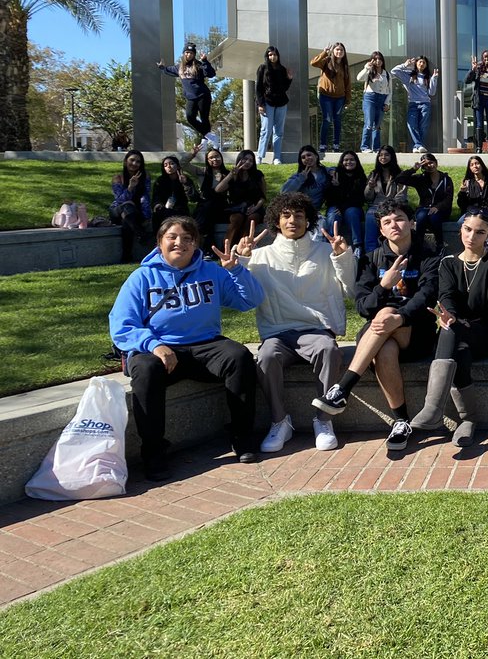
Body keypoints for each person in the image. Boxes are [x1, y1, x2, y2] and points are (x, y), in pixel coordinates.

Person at [109, 215, 264, 480]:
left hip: (205, 345)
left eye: (187, 238)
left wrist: (236, 270)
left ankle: (242, 437)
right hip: (159, 350)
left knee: (238, 356)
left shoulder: (212, 272)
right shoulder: (141, 278)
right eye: (172, 237)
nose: (179, 243)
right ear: (160, 242)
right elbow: (122, 325)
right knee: (145, 370)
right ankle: (153, 451)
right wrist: (154, 345)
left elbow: (250, 301)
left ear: (195, 244)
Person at [314, 200, 442, 451]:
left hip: (416, 332)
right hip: (378, 336)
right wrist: (384, 286)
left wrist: (400, 317)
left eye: (400, 219)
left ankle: (343, 388)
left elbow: (427, 297)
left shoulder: (429, 256)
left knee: (387, 314)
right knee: (385, 347)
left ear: (411, 223)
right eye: (387, 222)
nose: (394, 225)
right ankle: (401, 421)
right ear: (381, 230)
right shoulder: (371, 259)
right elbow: (363, 307)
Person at [238, 193, 355, 454]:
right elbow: (241, 297)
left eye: (299, 215)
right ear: (276, 221)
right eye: (286, 215)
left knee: (328, 349)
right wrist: (242, 260)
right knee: (266, 356)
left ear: (308, 220)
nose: (293, 220)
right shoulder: (260, 256)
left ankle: (323, 420)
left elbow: (351, 289)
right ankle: (280, 421)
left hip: (316, 331)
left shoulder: (327, 251)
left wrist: (343, 257)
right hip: (277, 332)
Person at [424, 208, 488, 447]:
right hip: (456, 333)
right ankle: (468, 419)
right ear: (461, 229)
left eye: (480, 232)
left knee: (451, 331)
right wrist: (449, 315)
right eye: (467, 229)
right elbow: (446, 296)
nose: (472, 236)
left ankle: (433, 408)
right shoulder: (448, 263)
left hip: (484, 335)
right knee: (457, 348)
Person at [158, 42, 217, 152]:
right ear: (183, 53)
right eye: (187, 52)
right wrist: (162, 67)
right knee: (190, 117)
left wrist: (205, 61)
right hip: (190, 97)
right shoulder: (179, 67)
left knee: (204, 119)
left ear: (194, 55)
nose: (189, 55)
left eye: (191, 53)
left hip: (203, 96)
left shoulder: (198, 65)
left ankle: (205, 141)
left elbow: (211, 74)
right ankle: (209, 136)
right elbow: (168, 70)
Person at [398, 151, 454, 250]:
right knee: (422, 216)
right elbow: (399, 179)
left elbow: (449, 198)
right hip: (424, 209)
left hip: (441, 210)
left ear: (436, 163)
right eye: (426, 165)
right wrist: (413, 169)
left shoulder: (446, 179)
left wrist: (438, 207)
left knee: (434, 217)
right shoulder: (420, 179)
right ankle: (418, 245)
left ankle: (439, 244)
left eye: (431, 162)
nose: (429, 166)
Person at [214, 149, 267, 249]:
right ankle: (226, 249)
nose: (247, 162)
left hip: (254, 207)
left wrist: (255, 208)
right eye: (245, 159)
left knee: (251, 219)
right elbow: (218, 189)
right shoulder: (233, 175)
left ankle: (242, 248)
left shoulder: (258, 175)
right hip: (237, 208)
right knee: (236, 219)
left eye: (251, 160)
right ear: (239, 159)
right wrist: (231, 174)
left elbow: (263, 197)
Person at [363, 146, 408, 253]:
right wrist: (370, 187)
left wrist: (390, 206)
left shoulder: (399, 174)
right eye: (380, 155)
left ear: (392, 157)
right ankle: (370, 253)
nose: (383, 157)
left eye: (386, 155)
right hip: (375, 206)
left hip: (394, 206)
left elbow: (401, 195)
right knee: (370, 215)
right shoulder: (374, 174)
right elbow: (368, 198)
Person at [323, 151, 368, 257]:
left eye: (352, 160)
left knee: (351, 212)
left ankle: (357, 246)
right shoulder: (335, 175)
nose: (349, 162)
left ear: (356, 161)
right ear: (341, 162)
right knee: (333, 215)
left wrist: (342, 207)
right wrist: (335, 186)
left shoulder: (360, 177)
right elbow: (329, 198)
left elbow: (359, 199)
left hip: (353, 208)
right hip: (336, 206)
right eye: (346, 160)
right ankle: (329, 245)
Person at [110, 150, 152, 262]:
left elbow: (145, 197)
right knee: (127, 207)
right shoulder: (118, 178)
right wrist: (130, 187)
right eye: (132, 160)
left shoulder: (145, 176)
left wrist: (146, 217)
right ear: (125, 161)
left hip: (134, 213)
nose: (134, 163)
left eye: (138, 161)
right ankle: (141, 234)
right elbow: (119, 200)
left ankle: (126, 256)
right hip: (117, 211)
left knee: (127, 220)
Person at [310, 42, 352, 153]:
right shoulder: (326, 61)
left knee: (337, 120)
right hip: (326, 96)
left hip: (340, 97)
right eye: (337, 49)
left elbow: (348, 83)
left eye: (341, 50)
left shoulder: (345, 66)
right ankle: (323, 144)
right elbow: (313, 63)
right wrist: (324, 52)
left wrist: (348, 99)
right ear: (333, 51)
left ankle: (336, 145)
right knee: (327, 119)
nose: (339, 52)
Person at [255, 45, 293, 165]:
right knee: (266, 130)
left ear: (278, 56)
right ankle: (259, 156)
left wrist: (289, 79)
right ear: (267, 56)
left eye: (275, 54)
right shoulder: (262, 68)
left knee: (279, 132)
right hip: (267, 103)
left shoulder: (282, 69)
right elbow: (258, 87)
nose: (272, 57)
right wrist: (260, 104)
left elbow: (284, 88)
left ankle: (276, 157)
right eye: (270, 54)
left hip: (281, 103)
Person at [394, 56, 440, 153]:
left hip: (425, 104)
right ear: (416, 63)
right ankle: (419, 145)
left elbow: (432, 93)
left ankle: (417, 146)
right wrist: (405, 65)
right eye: (420, 62)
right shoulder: (409, 75)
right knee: (411, 125)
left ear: (426, 65)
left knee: (423, 126)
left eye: (424, 62)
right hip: (413, 103)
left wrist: (434, 79)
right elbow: (394, 71)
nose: (422, 64)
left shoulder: (427, 77)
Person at [456, 155, 488, 247]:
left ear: (482, 165)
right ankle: (469, 242)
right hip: (472, 211)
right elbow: (461, 204)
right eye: (472, 165)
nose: (475, 166)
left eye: (477, 163)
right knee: (460, 222)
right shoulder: (468, 182)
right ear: (469, 168)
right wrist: (462, 192)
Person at [194, 149, 229, 254]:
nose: (215, 159)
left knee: (204, 214)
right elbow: (183, 164)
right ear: (207, 160)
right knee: (205, 212)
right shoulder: (202, 172)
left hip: (220, 204)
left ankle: (206, 250)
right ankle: (207, 250)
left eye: (217, 156)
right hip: (204, 205)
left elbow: (218, 190)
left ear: (221, 158)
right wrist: (192, 154)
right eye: (211, 158)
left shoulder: (227, 174)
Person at [151, 155, 198, 232]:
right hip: (164, 209)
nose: (168, 166)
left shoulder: (185, 179)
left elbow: (193, 198)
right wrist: (158, 204)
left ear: (178, 166)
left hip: (180, 210)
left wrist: (185, 184)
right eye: (165, 165)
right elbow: (156, 197)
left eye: (171, 163)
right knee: (159, 215)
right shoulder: (160, 181)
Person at [466, 50, 488, 152]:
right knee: (479, 124)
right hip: (479, 99)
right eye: (485, 57)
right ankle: (479, 147)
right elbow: (467, 80)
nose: (486, 59)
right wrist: (472, 70)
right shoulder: (478, 69)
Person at [356, 51, 391, 153]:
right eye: (375, 59)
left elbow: (390, 90)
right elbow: (359, 78)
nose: (378, 61)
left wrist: (387, 103)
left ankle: (376, 147)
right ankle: (365, 146)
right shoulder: (369, 71)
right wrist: (366, 68)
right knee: (369, 123)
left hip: (382, 99)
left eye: (380, 59)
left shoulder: (386, 74)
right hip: (370, 97)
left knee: (377, 125)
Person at [281, 145, 331, 214]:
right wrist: (301, 178)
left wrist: (331, 171)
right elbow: (284, 192)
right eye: (303, 157)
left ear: (316, 156)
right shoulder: (298, 176)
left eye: (309, 155)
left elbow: (337, 169)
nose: (306, 158)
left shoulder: (325, 172)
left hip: (315, 212)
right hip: (299, 211)